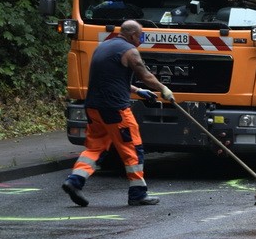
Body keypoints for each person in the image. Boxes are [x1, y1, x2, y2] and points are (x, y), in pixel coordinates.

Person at [61, 19, 174, 207]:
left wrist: (137, 92)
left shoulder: (103, 47)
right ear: (132, 35)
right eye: (141, 36)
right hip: (115, 110)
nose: (142, 39)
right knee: (133, 149)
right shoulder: (130, 51)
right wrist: (163, 89)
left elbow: (110, 79)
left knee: (95, 148)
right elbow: (145, 75)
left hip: (93, 107)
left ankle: (74, 181)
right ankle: (138, 193)